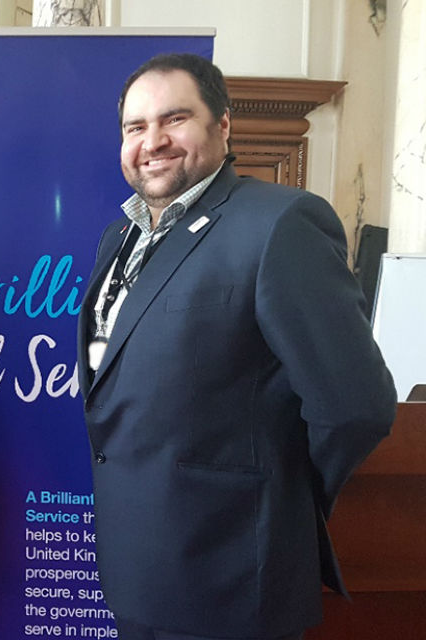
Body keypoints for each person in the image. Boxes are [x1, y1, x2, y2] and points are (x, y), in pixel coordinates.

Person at [77, 54, 397, 640]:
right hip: (138, 568)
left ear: (223, 126)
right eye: (135, 127)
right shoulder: (119, 236)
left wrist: (280, 495)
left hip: (229, 576)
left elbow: (355, 405)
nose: (153, 141)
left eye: (175, 119)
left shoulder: (280, 224)